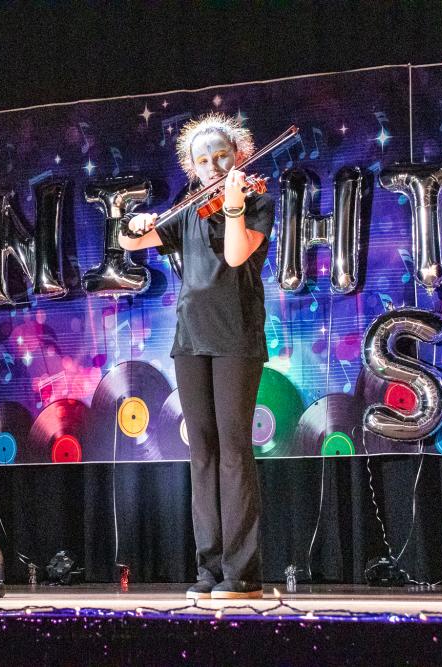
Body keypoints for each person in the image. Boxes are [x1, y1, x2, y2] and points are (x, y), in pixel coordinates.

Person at [119, 112, 275, 600]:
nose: (213, 167)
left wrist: (232, 205)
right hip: (190, 339)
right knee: (201, 452)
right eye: (203, 161)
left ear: (239, 157)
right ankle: (208, 570)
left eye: (222, 158)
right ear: (193, 166)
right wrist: (136, 222)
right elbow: (129, 240)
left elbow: (234, 256)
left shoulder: (255, 202)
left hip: (236, 339)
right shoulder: (189, 210)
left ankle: (242, 574)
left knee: (233, 451)